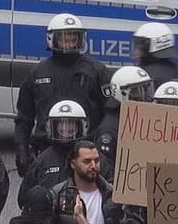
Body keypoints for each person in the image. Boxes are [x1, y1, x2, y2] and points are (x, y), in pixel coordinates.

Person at [14, 13, 110, 174]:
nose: (70, 42)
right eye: (65, 38)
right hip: (47, 149)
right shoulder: (37, 73)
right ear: (52, 39)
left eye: (74, 37)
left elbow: (110, 115)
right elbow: (24, 118)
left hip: (85, 152)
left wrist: (103, 147)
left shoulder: (97, 71)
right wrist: (22, 149)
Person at [96, 66, 154, 178]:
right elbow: (106, 167)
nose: (144, 96)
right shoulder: (110, 128)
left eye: (146, 89)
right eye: (137, 91)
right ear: (121, 93)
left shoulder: (140, 116)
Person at [24, 101, 90, 196]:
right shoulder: (43, 160)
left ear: (81, 127)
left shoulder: (92, 157)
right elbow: (25, 196)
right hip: (50, 209)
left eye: (71, 125)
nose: (66, 130)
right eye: (62, 126)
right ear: (53, 127)